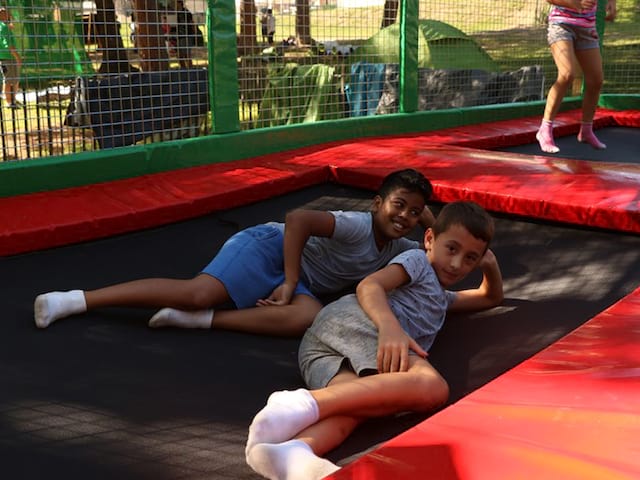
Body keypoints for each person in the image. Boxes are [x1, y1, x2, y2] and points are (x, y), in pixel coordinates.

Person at [245, 201, 504, 480]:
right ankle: (302, 403)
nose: (457, 264)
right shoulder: (417, 262)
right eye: (452, 249)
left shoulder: (442, 299)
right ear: (429, 239)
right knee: (432, 387)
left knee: (357, 408)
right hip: (356, 322)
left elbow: (490, 297)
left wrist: (489, 264)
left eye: (470, 258)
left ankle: (292, 452)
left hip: (325, 346)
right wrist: (390, 327)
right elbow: (370, 285)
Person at [34, 169, 436, 337]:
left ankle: (201, 321)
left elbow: (438, 238)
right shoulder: (357, 223)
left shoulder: (401, 247)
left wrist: (425, 218)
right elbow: (297, 219)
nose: (404, 216)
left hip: (299, 280)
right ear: (377, 203)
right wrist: (291, 280)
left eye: (413, 212)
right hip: (269, 247)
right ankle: (76, 300)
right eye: (398, 205)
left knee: (307, 317)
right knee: (198, 291)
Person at [536, 0, 617, 153]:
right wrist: (575, 4)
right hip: (562, 25)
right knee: (567, 74)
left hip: (587, 27)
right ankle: (544, 129)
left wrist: (612, 3)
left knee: (596, 80)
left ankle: (586, 130)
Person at [0, 7, 22, 109]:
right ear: (2, 15)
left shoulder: (3, 26)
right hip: (8, 58)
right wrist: (17, 57)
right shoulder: (4, 27)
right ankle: (9, 102)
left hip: (5, 57)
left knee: (13, 80)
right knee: (9, 81)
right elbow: (8, 45)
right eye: (7, 13)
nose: (10, 15)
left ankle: (12, 100)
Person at [174, 0, 197, 68]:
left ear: (180, 4)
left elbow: (191, 22)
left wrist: (194, 32)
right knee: (179, 54)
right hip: (180, 36)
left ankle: (190, 68)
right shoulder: (178, 13)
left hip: (187, 35)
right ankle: (183, 68)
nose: (176, 6)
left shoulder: (186, 12)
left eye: (177, 4)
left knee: (186, 54)